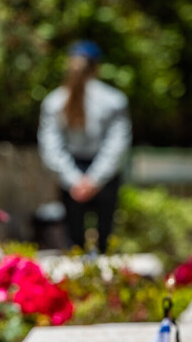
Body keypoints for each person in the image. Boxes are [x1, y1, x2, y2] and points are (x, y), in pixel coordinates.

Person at [38, 40, 131, 253]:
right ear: (97, 67)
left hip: (71, 172)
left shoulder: (54, 101)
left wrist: (73, 179)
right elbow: (117, 144)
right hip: (104, 174)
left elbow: (51, 146)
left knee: (73, 245)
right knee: (105, 242)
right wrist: (94, 179)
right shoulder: (114, 99)